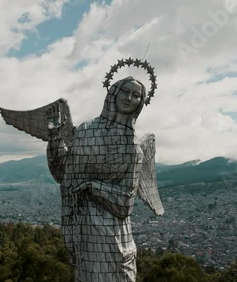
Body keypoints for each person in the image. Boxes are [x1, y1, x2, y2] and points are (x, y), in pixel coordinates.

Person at [46, 76, 146, 281]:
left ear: (141, 102)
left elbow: (125, 203)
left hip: (118, 237)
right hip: (87, 231)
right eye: (125, 92)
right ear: (113, 94)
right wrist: (55, 137)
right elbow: (64, 175)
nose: (129, 98)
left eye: (136, 95)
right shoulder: (85, 131)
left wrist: (92, 186)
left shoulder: (133, 148)